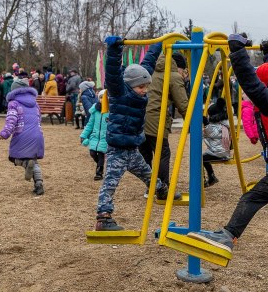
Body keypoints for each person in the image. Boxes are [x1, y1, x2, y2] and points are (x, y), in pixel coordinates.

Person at [188, 35, 268, 254]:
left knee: (252, 197)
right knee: (258, 194)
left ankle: (228, 236)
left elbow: (250, 81)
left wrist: (237, 51)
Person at [94, 36, 169, 232]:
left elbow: (148, 63)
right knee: (110, 183)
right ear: (130, 84)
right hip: (117, 150)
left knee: (149, 175)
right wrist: (115, 49)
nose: (145, 91)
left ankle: (161, 190)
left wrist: (159, 44)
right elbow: (111, 71)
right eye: (141, 87)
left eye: (146, 86)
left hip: (133, 149)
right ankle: (103, 218)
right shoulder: (119, 92)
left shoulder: (138, 86)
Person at [139, 52, 189, 196]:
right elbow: (183, 104)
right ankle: (162, 189)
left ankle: (151, 187)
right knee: (163, 153)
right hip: (156, 119)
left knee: (146, 153)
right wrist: (196, 121)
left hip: (141, 118)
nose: (183, 73)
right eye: (183, 70)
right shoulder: (173, 76)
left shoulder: (153, 72)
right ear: (178, 67)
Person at [0, 77, 45, 195]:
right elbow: (39, 119)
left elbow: (11, 121)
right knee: (33, 161)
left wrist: (4, 133)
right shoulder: (35, 103)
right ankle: (39, 185)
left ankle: (24, 163)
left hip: (22, 134)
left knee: (13, 158)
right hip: (37, 135)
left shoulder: (14, 103)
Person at [202, 98, 231, 187]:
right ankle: (211, 176)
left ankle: (207, 178)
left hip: (219, 152)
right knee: (203, 157)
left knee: (199, 159)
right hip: (221, 150)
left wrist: (206, 124)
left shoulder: (220, 125)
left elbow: (211, 133)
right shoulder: (223, 122)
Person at [81, 89, 109, 180]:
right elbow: (90, 124)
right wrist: (83, 135)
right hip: (95, 136)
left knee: (101, 153)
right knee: (92, 153)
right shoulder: (95, 110)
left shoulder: (111, 111)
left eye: (104, 97)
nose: (102, 99)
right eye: (100, 97)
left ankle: (99, 172)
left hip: (105, 138)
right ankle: (99, 165)